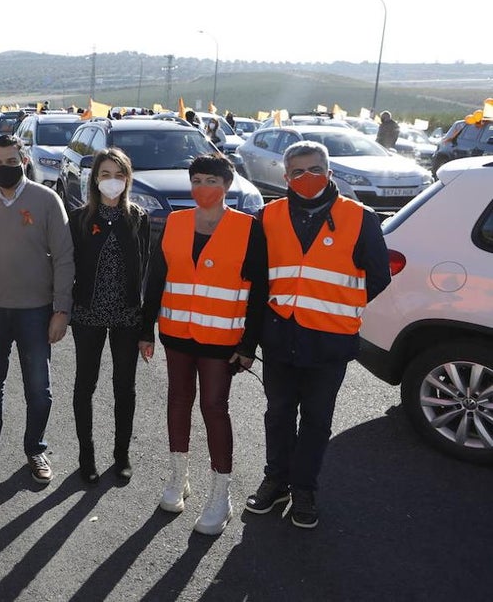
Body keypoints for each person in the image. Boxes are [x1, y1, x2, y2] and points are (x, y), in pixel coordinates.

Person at [245, 141, 390, 529]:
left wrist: (336, 304)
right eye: (297, 172)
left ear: (329, 173)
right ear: (285, 177)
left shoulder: (360, 218)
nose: (306, 178)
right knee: (278, 414)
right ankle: (276, 481)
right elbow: (258, 279)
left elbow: (379, 277)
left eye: (314, 170)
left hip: (330, 342)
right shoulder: (267, 216)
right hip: (280, 337)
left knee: (316, 419)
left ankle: (304, 489)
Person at [141, 155, 267, 535]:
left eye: (211, 180)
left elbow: (259, 291)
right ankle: (178, 477)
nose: (202, 188)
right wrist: (146, 329)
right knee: (178, 401)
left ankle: (220, 494)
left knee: (214, 407)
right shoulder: (175, 222)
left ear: (227, 185)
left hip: (222, 339)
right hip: (177, 332)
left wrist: (249, 345)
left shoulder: (248, 228)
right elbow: (156, 277)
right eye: (196, 180)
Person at [0, 134, 75, 483]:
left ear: (24, 161)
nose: (4, 168)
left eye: (11, 162)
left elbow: (64, 257)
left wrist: (61, 310)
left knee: (38, 388)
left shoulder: (47, 200)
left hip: (36, 311)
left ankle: (35, 449)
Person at [68, 148, 150, 485]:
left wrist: (147, 324)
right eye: (105, 174)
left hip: (126, 316)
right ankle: (86, 455)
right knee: (85, 384)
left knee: (124, 387)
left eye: (119, 175)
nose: (112, 181)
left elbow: (145, 269)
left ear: (128, 179)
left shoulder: (138, 218)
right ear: (94, 179)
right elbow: (67, 267)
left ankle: (121, 454)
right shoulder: (79, 219)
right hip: (87, 313)